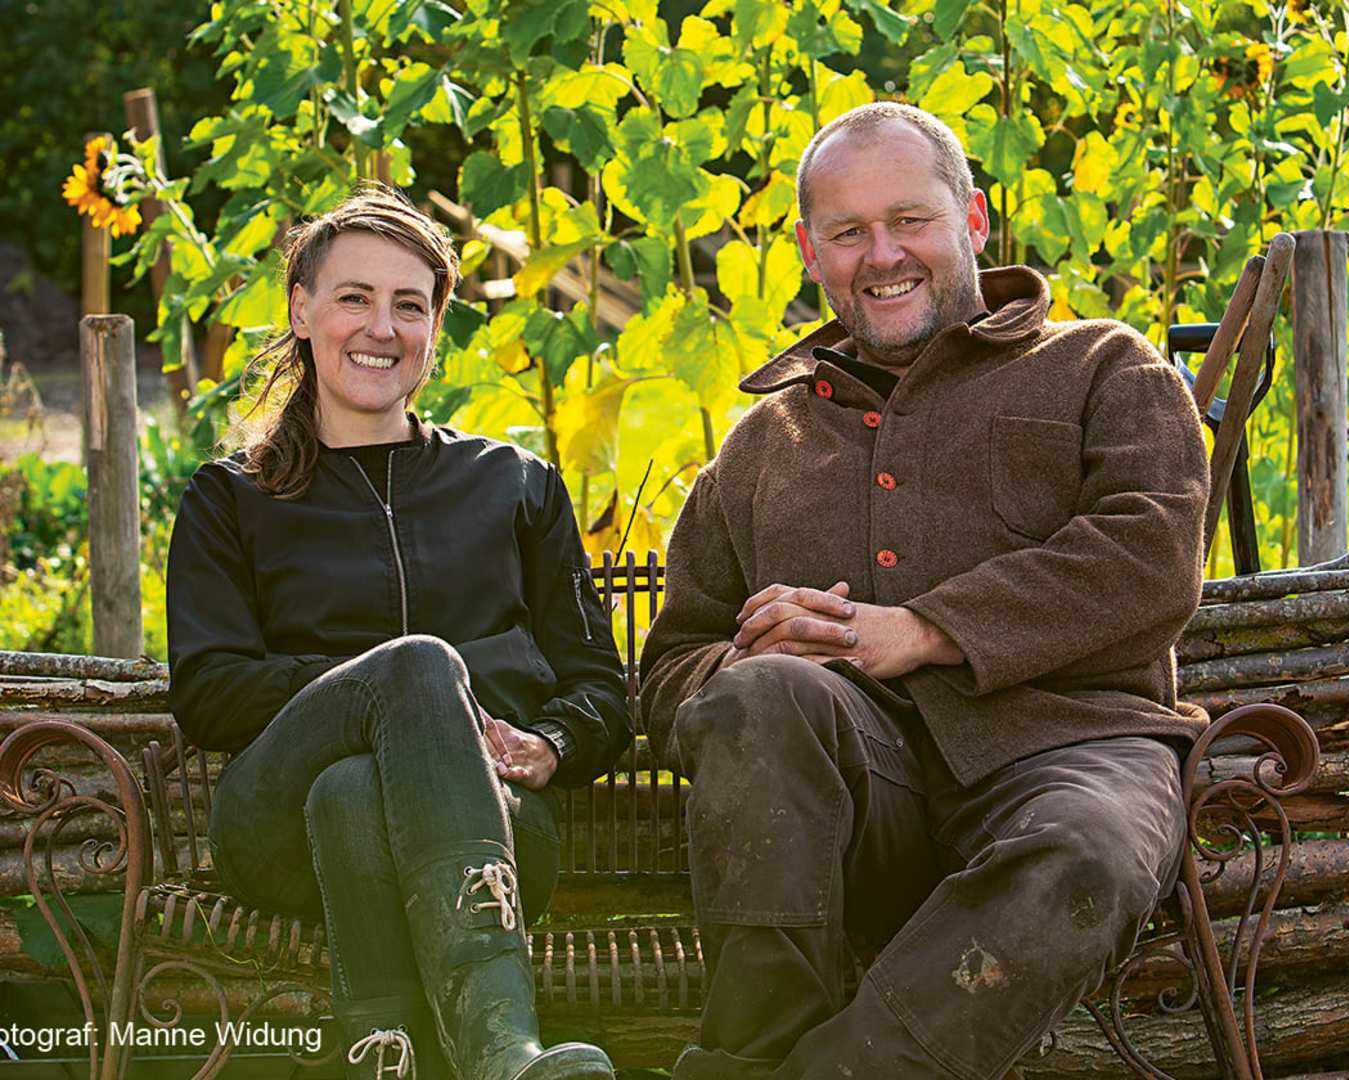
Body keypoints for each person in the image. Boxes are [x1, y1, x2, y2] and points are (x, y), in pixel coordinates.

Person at [638, 102, 1212, 1079]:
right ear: (809, 252)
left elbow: (1152, 556)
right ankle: (747, 1053)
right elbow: (668, 670)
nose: (882, 254)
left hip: (1074, 756)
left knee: (1083, 851)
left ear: (972, 220)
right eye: (848, 232)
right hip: (861, 810)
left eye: (910, 219)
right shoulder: (759, 446)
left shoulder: (1103, 366)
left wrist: (921, 629)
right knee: (763, 692)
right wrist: (748, 662)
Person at [166, 186, 629, 1080]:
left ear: (434, 327)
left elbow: (601, 690)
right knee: (411, 675)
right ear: (301, 312)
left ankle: (388, 1056)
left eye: (409, 306)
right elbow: (210, 692)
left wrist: (551, 743)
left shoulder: (515, 484)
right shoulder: (231, 498)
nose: (381, 328)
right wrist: (391, 691)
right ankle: (504, 1050)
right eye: (354, 298)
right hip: (277, 835)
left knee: (355, 793)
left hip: (496, 841)